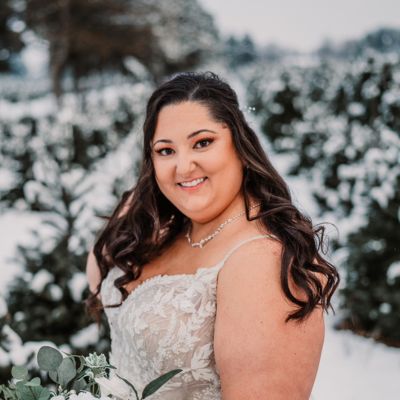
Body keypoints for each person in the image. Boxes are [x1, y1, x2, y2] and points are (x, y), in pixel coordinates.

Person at [85, 71, 340, 400]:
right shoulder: (169, 231)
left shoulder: (261, 259)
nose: (184, 166)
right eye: (165, 151)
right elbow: (100, 275)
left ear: (239, 144)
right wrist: (142, 199)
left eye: (202, 143)